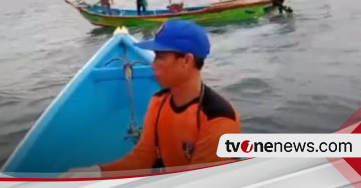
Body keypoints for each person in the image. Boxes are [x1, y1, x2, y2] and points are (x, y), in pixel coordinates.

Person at [60, 20, 242, 178]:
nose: (153, 64)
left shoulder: (217, 118)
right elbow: (143, 159)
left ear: (186, 60)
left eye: (160, 56)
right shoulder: (159, 102)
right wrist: (100, 172)